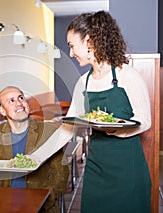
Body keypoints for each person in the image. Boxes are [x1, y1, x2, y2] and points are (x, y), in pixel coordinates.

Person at [60, 10, 151, 212]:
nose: (71, 53)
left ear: (89, 41)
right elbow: (70, 124)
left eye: (72, 46)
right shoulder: (83, 82)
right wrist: (39, 153)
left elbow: (145, 121)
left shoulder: (128, 75)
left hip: (128, 167)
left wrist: (111, 129)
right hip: (96, 167)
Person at [0, 86, 69, 213]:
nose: (19, 103)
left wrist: (42, 200)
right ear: (2, 110)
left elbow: (61, 175)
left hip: (43, 206)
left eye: (21, 98)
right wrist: (1, 200)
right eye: (11, 101)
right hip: (3, 205)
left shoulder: (49, 133)